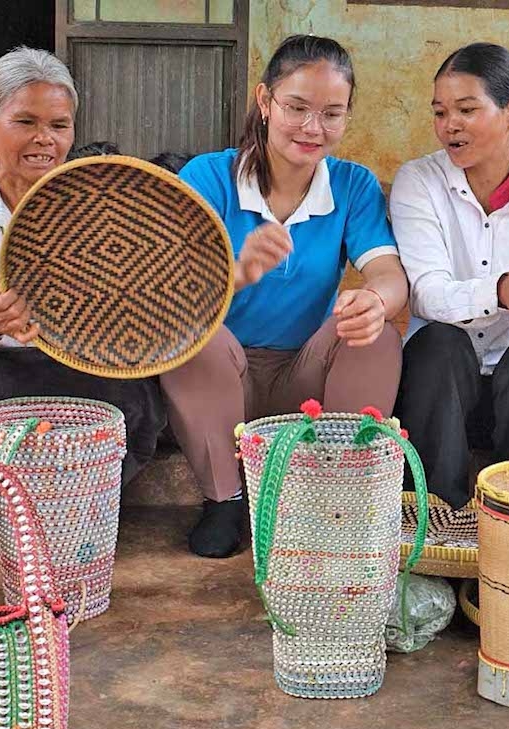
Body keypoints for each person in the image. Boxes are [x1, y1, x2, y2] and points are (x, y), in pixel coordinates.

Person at [163, 35, 408, 558]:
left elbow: (388, 273)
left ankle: (334, 497)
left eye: (331, 114)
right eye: (297, 107)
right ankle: (224, 500)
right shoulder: (209, 177)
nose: (312, 128)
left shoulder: (353, 186)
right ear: (265, 101)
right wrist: (238, 272)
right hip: (222, 379)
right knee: (192, 334)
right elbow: (169, 292)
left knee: (377, 335)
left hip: (304, 374)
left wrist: (377, 301)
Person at [0, 47, 165, 481]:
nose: (45, 138)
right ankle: (0, 496)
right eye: (26, 122)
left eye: (59, 125)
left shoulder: (97, 202)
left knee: (126, 397)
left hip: (77, 367)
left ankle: (72, 500)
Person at [391, 42, 509, 509]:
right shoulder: (419, 182)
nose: (450, 125)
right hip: (440, 390)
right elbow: (425, 294)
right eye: (440, 112)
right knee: (439, 345)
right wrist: (503, 290)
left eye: (466, 109)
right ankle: (435, 516)